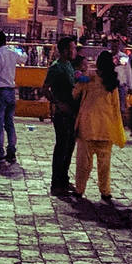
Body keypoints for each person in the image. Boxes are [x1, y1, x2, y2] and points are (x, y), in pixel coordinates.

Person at [74, 49, 126, 205]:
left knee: (84, 163)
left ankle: (79, 189)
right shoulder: (112, 83)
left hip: (88, 126)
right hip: (106, 128)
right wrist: (118, 130)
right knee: (104, 165)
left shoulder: (89, 78)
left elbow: (75, 93)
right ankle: (105, 191)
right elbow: (116, 108)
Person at [44, 36, 79, 197]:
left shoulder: (69, 66)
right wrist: (58, 103)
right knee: (61, 147)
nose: (75, 51)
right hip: (61, 113)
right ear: (65, 50)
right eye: (72, 48)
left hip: (72, 112)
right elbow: (45, 89)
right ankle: (56, 183)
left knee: (69, 146)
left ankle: (64, 179)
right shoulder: (56, 68)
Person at [0, 30, 25, 165]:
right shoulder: (11, 52)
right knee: (10, 123)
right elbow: (23, 57)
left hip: (0, 92)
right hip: (11, 91)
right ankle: (11, 151)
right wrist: (18, 49)